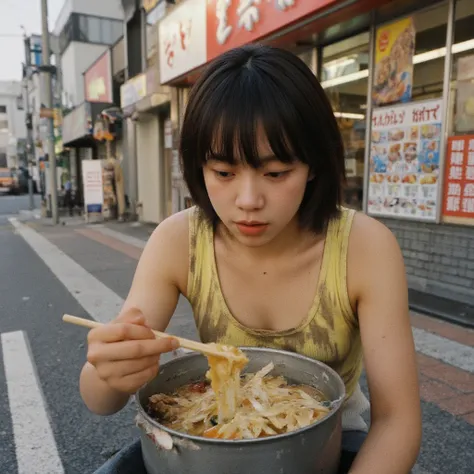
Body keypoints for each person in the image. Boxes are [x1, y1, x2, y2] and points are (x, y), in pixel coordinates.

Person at [81, 44, 422, 474]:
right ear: (198, 167)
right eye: (223, 173)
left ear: (313, 166)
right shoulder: (178, 240)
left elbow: (398, 419)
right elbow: (98, 401)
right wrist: (109, 371)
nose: (248, 201)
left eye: (276, 173)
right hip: (209, 432)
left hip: (329, 431)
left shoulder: (365, 248)